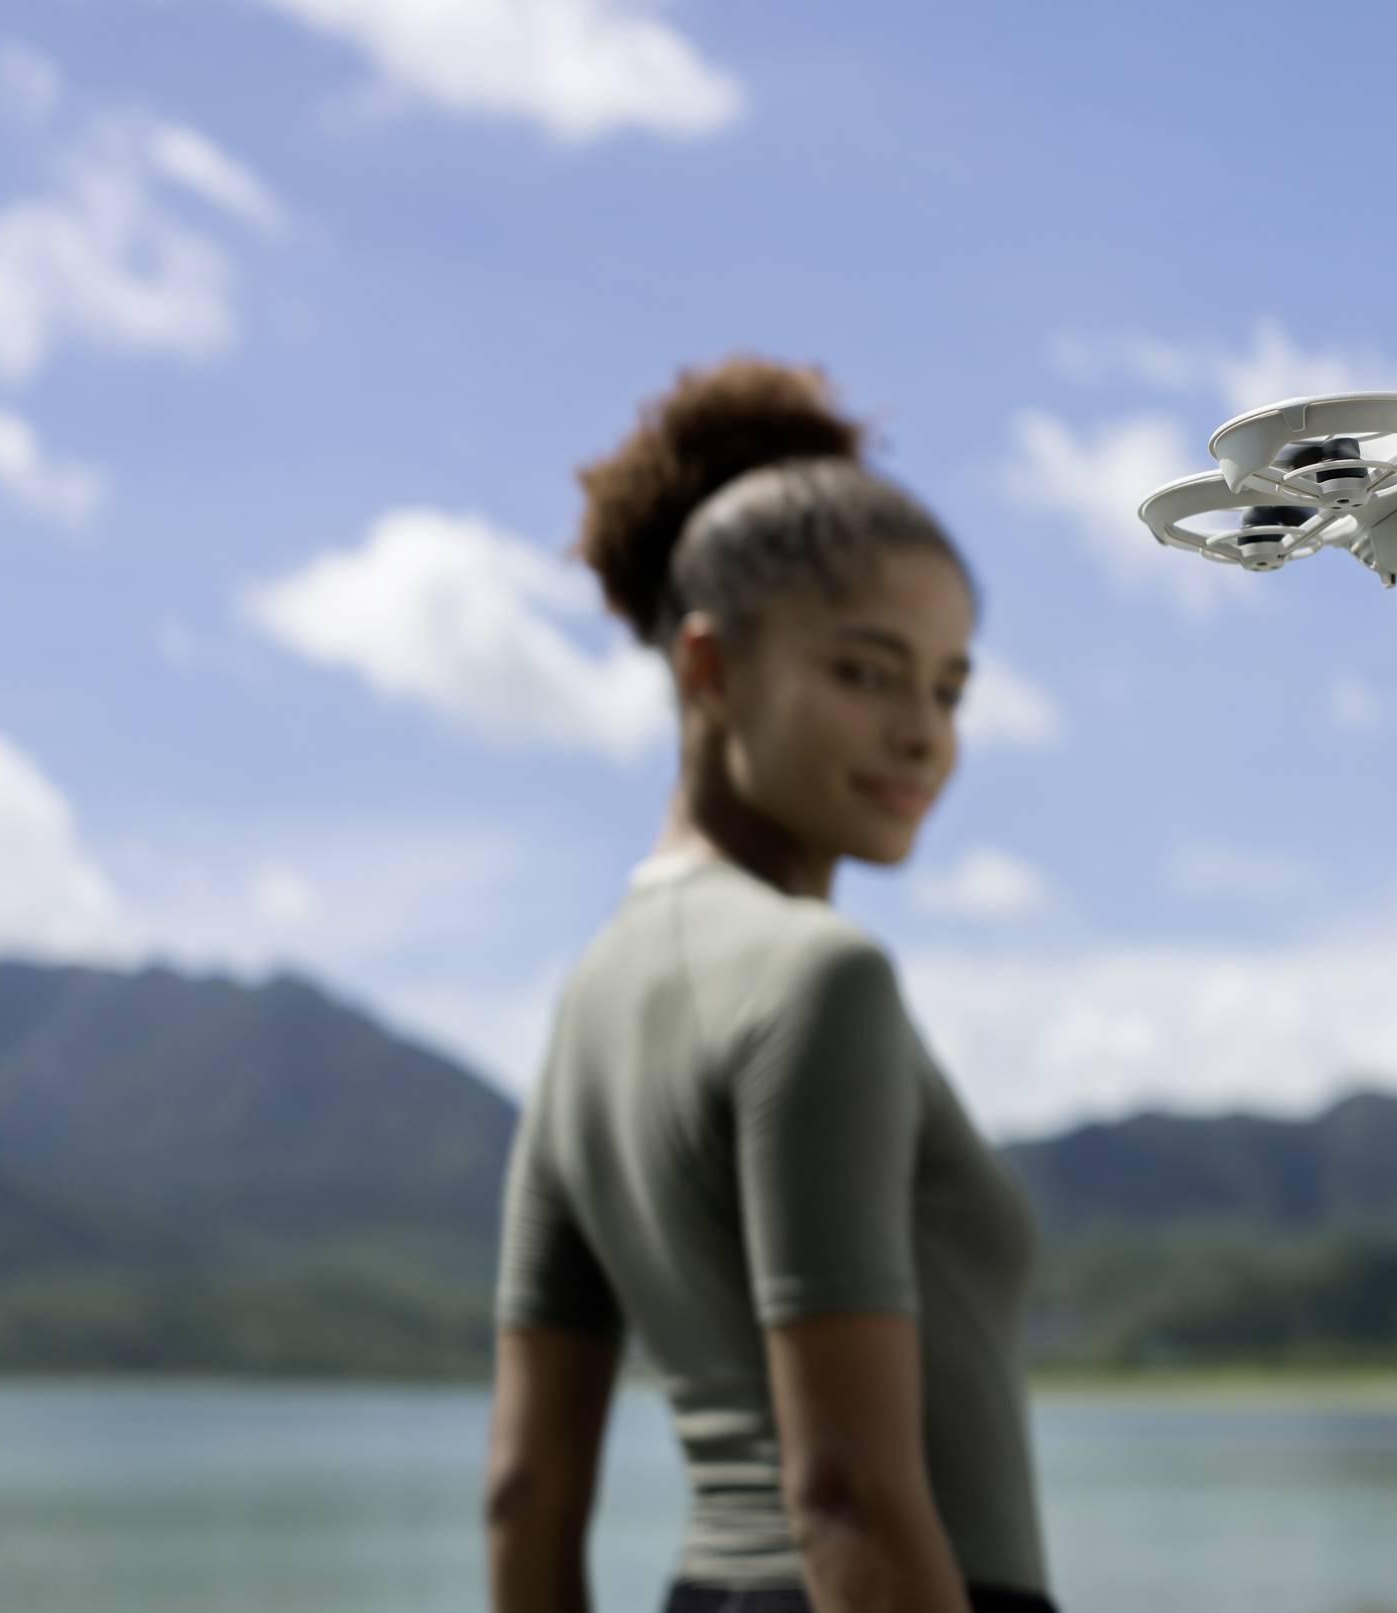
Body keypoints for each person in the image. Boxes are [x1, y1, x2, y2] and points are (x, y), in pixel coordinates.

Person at [481, 354, 1061, 1613]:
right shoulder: (817, 978)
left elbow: (524, 1490)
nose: (923, 732)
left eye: (949, 687)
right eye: (865, 671)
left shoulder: (586, 1008)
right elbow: (844, 1488)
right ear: (708, 669)